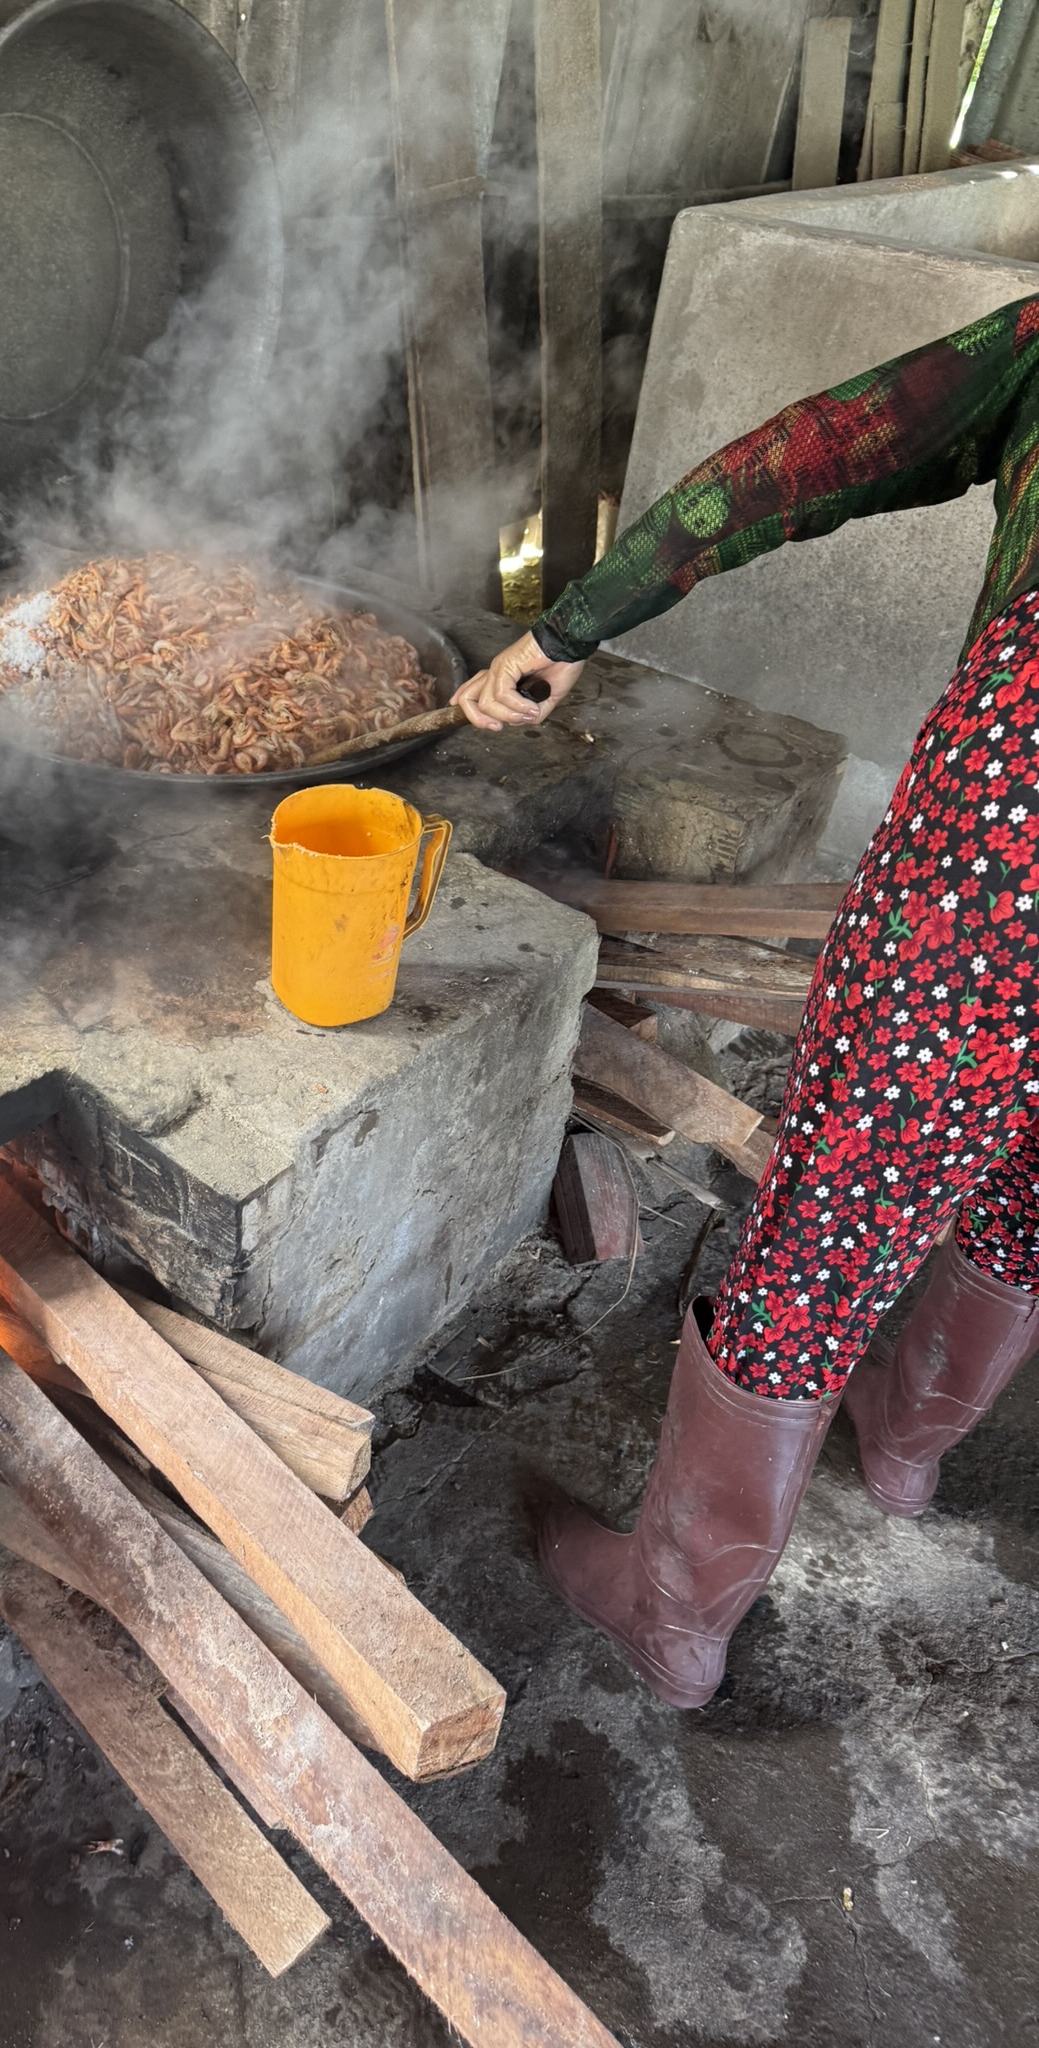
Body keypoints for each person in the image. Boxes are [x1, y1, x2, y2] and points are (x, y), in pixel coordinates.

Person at [453, 294, 1039, 1709]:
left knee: (829, 1223)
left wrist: (578, 622)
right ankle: (906, 1451)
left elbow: (818, 450)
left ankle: (671, 1616)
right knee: (1026, 1179)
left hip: (1010, 873)